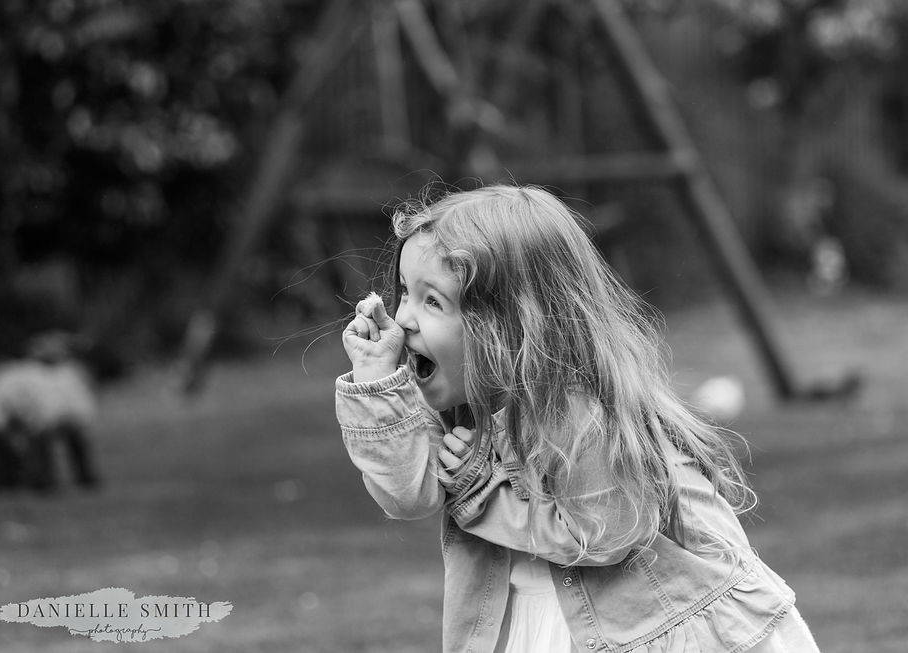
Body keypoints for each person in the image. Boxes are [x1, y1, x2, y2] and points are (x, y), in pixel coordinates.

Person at [335, 185, 819, 652]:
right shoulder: (456, 402)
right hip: (526, 624)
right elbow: (407, 495)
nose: (403, 320)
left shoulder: (583, 410)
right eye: (404, 292)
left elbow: (600, 536)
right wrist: (376, 382)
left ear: (509, 324)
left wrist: (482, 493)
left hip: (652, 627)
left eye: (433, 301)